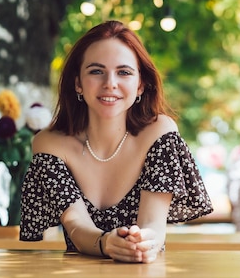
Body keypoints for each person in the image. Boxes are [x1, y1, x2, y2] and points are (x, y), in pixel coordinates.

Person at [20, 20, 213, 263]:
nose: (110, 83)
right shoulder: (49, 144)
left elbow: (153, 225)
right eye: (96, 71)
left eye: (124, 72)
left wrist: (142, 242)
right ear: (77, 83)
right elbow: (77, 227)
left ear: (140, 84)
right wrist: (105, 243)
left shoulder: (159, 133)